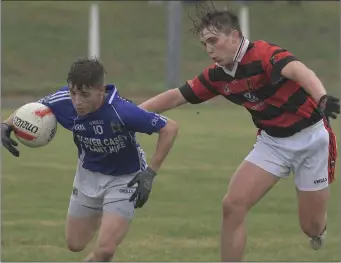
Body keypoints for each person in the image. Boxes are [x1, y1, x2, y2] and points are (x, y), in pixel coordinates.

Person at [138, 5, 340, 262]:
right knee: (232, 205)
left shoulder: (263, 54)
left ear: (234, 36)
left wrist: (321, 96)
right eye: (204, 44)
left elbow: (299, 70)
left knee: (310, 227)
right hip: (272, 142)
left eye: (214, 40)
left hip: (311, 139)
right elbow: (178, 96)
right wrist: (131, 113)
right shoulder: (217, 76)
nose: (209, 49)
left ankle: (318, 229)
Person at [1, 58, 179, 262]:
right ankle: (108, 222)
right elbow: (32, 110)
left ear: (101, 90)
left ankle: (112, 224)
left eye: (84, 95)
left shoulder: (122, 111)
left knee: (104, 251)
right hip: (88, 175)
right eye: (73, 93)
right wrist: (6, 125)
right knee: (75, 243)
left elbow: (169, 128)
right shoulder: (63, 100)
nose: (77, 101)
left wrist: (150, 172)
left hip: (125, 178)